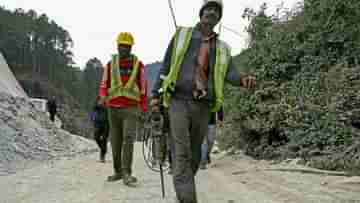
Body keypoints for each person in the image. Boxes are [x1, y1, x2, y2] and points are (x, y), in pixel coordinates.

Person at [151, 0, 256, 202]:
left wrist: (243, 80)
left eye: (216, 11)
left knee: (195, 157)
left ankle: (182, 188)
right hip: (178, 101)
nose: (211, 12)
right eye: (208, 8)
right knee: (181, 153)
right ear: (201, 13)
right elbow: (165, 66)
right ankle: (187, 198)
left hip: (203, 107)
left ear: (219, 18)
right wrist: (155, 96)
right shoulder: (182, 35)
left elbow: (231, 73)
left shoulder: (223, 48)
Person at [98, 32, 147, 186]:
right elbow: (104, 85)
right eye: (121, 45)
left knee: (128, 140)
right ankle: (118, 171)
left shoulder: (138, 65)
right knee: (115, 141)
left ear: (131, 47)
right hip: (113, 109)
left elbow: (143, 88)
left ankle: (127, 173)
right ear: (117, 46)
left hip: (131, 109)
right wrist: (103, 96)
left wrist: (144, 108)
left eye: (127, 46)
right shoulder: (110, 65)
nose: (124, 48)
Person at [91, 97, 109, 163]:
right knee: (96, 137)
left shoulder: (108, 106)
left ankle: (102, 156)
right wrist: (93, 119)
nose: (101, 101)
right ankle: (103, 149)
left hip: (107, 125)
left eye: (102, 100)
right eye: (99, 100)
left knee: (104, 139)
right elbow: (93, 114)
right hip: (98, 124)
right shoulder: (96, 107)